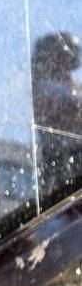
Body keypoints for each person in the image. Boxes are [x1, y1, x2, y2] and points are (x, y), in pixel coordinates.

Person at [33, 31, 82, 200]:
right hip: (57, 156)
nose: (70, 55)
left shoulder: (73, 88)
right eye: (65, 50)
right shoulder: (44, 89)